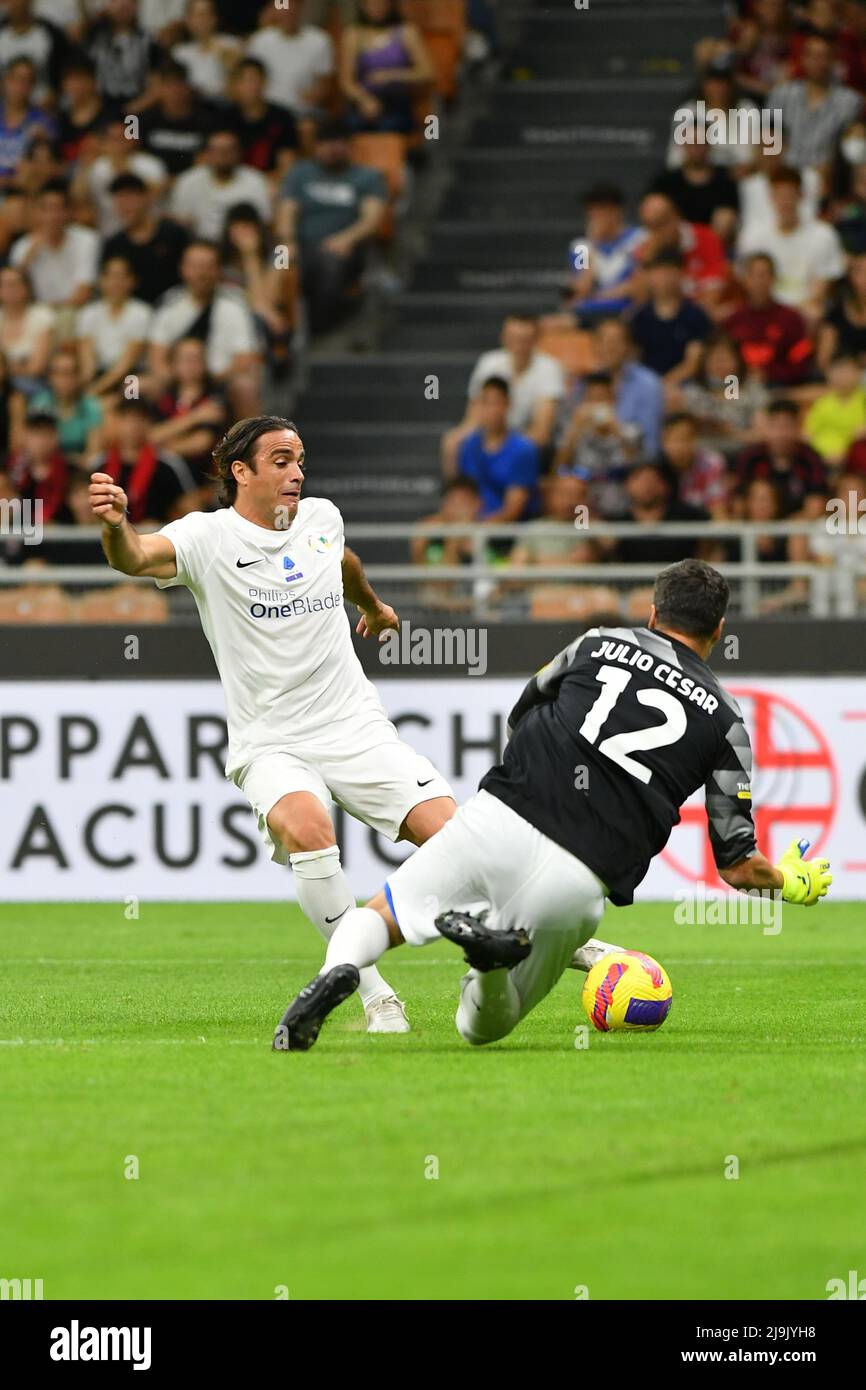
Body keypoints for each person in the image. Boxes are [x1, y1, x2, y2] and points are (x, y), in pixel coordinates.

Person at [272, 559, 832, 1051]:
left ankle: (341, 969)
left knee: (380, 916)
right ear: (719, 629)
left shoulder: (595, 644)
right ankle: (491, 965)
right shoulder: (727, 722)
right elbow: (737, 866)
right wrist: (788, 882)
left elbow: (524, 711)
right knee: (481, 1028)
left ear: (654, 613)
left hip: (500, 816)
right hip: (579, 878)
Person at [88, 413, 456, 1035]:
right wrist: (115, 523)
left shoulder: (321, 518)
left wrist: (373, 606)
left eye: (300, 459)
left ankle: (560, 946)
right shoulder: (206, 539)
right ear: (242, 472)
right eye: (281, 461)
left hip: (353, 725)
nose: (297, 472)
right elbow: (135, 558)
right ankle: (371, 990)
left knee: (452, 838)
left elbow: (341, 562)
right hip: (271, 740)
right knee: (305, 828)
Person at [277, 117, 386, 335]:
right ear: (316, 146)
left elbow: (371, 220)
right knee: (278, 262)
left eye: (337, 143)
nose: (330, 150)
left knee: (330, 263)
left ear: (348, 146)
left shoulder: (367, 177)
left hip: (344, 248)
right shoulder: (300, 173)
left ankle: (319, 329)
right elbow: (286, 212)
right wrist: (287, 241)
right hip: (301, 246)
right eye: (324, 144)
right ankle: (281, 330)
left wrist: (347, 238)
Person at [443, 314, 565, 475]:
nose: (519, 345)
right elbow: (474, 416)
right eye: (514, 338)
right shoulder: (488, 362)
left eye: (525, 339)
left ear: (536, 339)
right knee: (452, 442)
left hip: (528, 440)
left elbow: (541, 431)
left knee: (522, 451)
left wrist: (503, 447)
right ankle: (458, 495)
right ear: (504, 338)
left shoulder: (549, 368)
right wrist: (460, 438)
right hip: (492, 434)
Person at [89, 395, 196, 523]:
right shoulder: (100, 465)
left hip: (156, 538)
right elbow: (87, 509)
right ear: (116, 423)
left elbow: (190, 509)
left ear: (149, 423)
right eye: (126, 419)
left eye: (139, 419)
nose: (132, 426)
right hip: (109, 538)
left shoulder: (168, 465)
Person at [338, 0, 433, 135]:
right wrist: (365, 100)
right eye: (371, 4)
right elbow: (346, 82)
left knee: (391, 126)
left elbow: (427, 73)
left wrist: (392, 75)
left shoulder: (407, 32)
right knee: (354, 124)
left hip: (396, 102)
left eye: (381, 3)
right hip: (362, 101)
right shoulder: (353, 34)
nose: (377, 8)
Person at [456, 377, 539, 524]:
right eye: (486, 403)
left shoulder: (523, 449)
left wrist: (478, 530)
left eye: (497, 403)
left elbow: (513, 510)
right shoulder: (469, 445)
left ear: (508, 405)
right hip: (470, 522)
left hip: (506, 529)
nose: (491, 410)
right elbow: (463, 494)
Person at [724, 252, 814, 385]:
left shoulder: (790, 318)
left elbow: (802, 363)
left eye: (763, 275)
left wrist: (769, 374)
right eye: (753, 275)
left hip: (779, 387)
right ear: (745, 280)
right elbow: (723, 363)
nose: (759, 281)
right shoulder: (734, 320)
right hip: (738, 387)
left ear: (773, 279)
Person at [101, 171, 189, 306]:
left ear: (146, 198)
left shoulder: (173, 234)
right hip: (133, 315)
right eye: (119, 198)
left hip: (174, 308)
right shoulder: (114, 245)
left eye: (130, 197)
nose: (126, 205)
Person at [169, 127, 272, 240]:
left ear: (239, 152)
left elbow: (265, 221)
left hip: (240, 246)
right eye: (217, 150)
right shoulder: (188, 180)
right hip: (197, 244)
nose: (223, 155)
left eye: (228, 150)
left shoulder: (256, 181)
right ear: (206, 153)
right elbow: (178, 218)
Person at [76, 254, 152, 398]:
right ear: (101, 280)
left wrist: (95, 391)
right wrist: (87, 384)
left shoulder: (142, 313)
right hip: (99, 372)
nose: (116, 282)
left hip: (130, 374)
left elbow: (128, 361)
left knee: (132, 390)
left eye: (122, 277)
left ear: (132, 281)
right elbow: (87, 357)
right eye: (110, 276)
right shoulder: (88, 313)